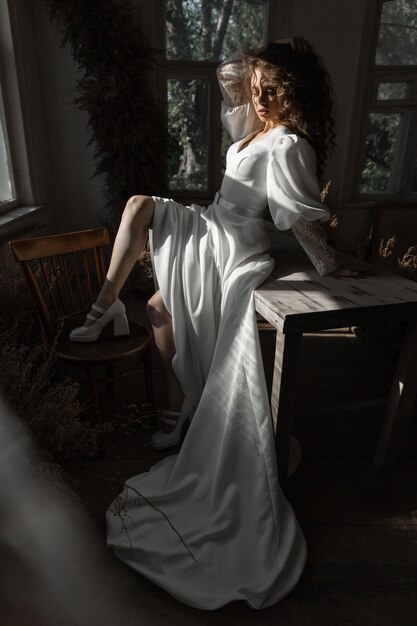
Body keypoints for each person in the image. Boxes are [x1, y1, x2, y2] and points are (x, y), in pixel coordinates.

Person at [70, 38, 361, 609]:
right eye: (251, 86)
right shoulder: (255, 129)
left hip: (234, 245)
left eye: (262, 87)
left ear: (285, 91)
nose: (251, 95)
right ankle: (120, 329)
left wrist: (328, 261)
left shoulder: (288, 141)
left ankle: (165, 390)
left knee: (147, 259)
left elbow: (294, 214)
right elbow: (236, 147)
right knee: (147, 260)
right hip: (211, 223)